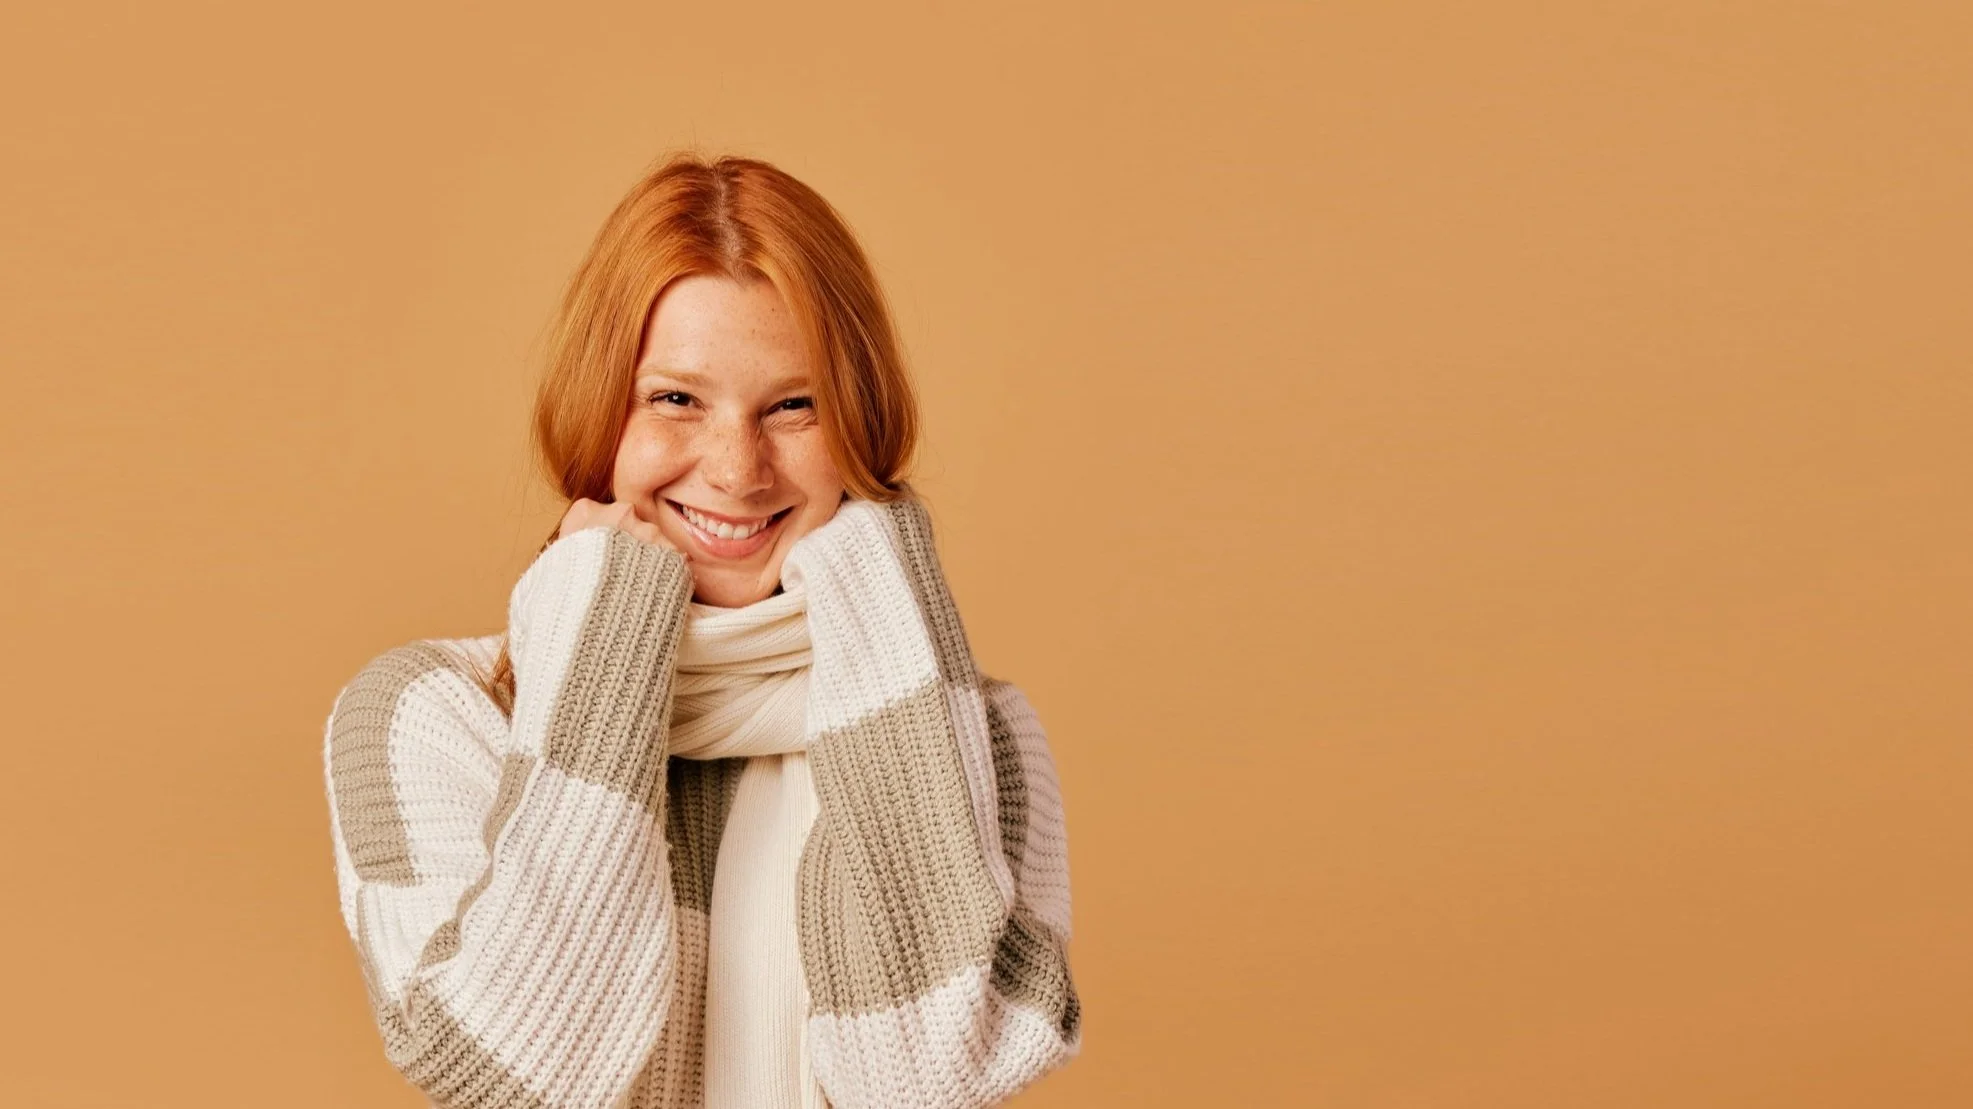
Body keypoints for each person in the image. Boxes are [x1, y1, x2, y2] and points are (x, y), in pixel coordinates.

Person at [319, 151, 1081, 1109]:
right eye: (674, 398)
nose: (736, 469)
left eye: (794, 406)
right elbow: (525, 1075)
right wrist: (604, 639)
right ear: (597, 413)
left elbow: (932, 1077)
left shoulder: (977, 736)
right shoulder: (428, 716)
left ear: (860, 429)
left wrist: (888, 603)